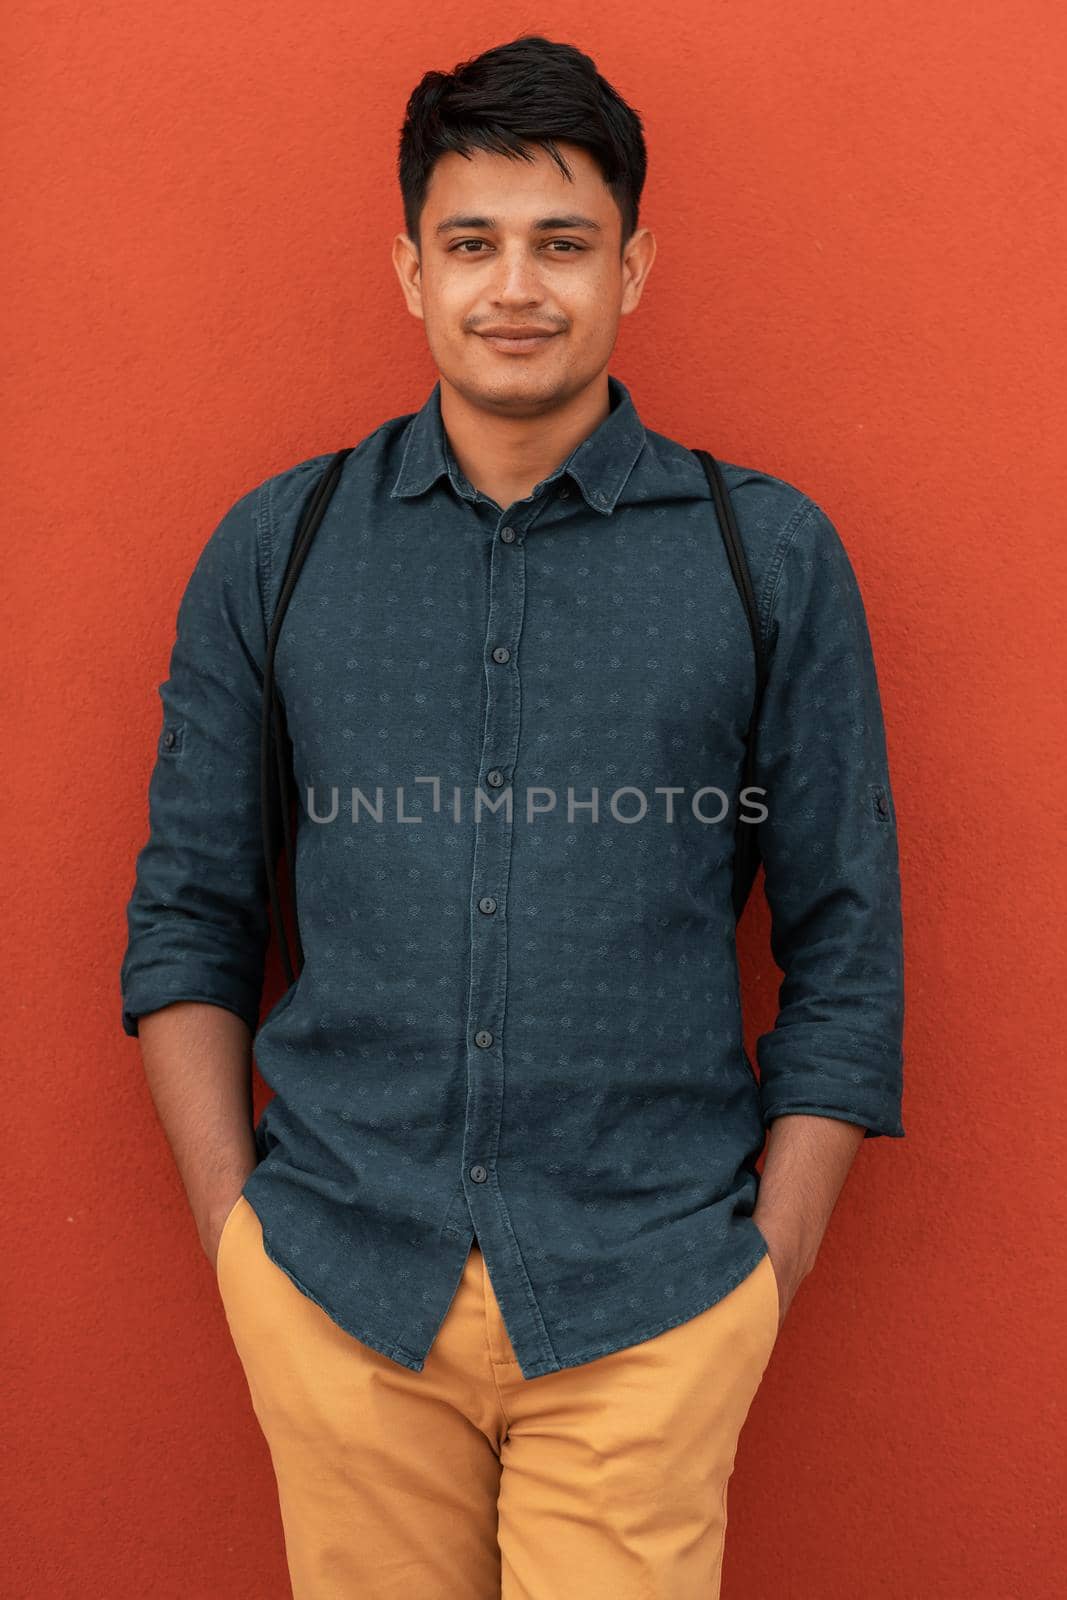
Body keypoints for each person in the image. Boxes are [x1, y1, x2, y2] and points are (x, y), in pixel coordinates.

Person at [120, 32, 905, 1600]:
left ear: (636, 263)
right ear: (409, 269)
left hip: (654, 1297)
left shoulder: (770, 558)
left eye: (565, 242)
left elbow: (848, 943)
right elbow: (191, 918)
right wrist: (237, 1241)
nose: (516, 288)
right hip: (340, 1285)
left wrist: (771, 1260)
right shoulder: (282, 546)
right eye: (470, 243)